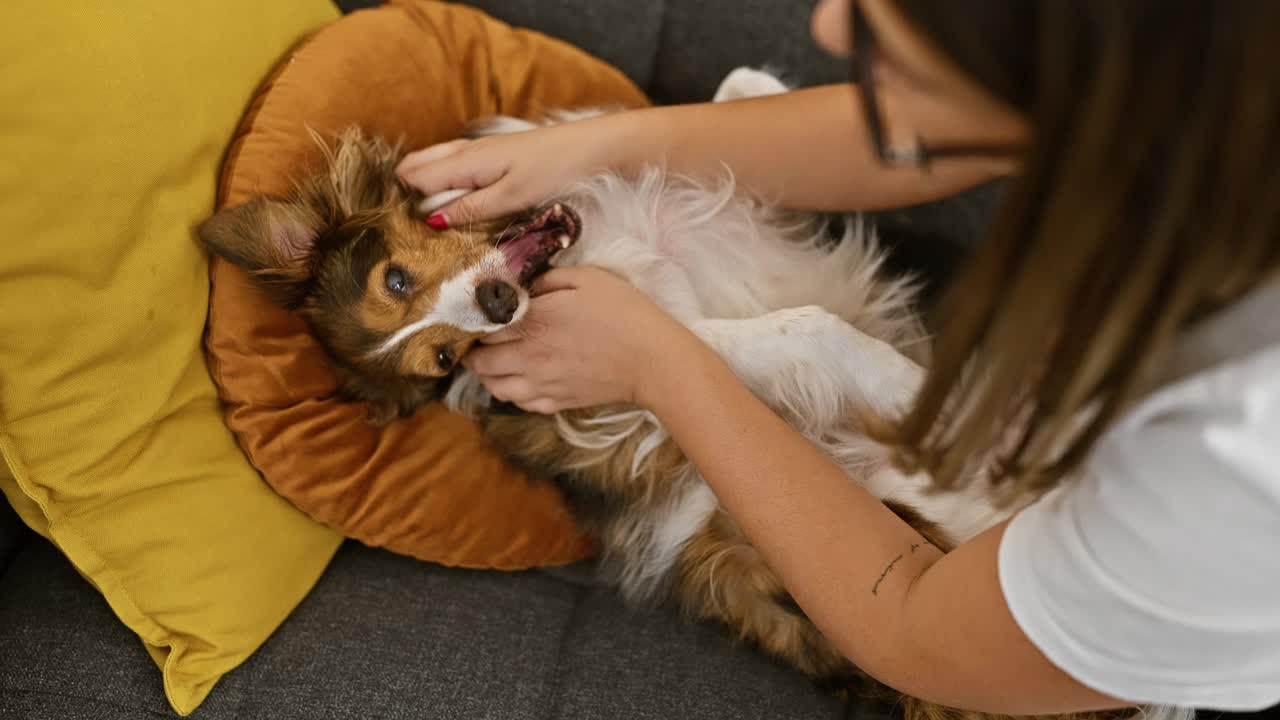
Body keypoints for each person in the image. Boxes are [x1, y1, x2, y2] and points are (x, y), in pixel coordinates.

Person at [397, 0, 1280, 715]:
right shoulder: (1202, 75)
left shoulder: (1230, 455)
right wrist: (595, 147)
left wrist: (659, 365)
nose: (825, 26)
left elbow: (923, 635)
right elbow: (922, 132)